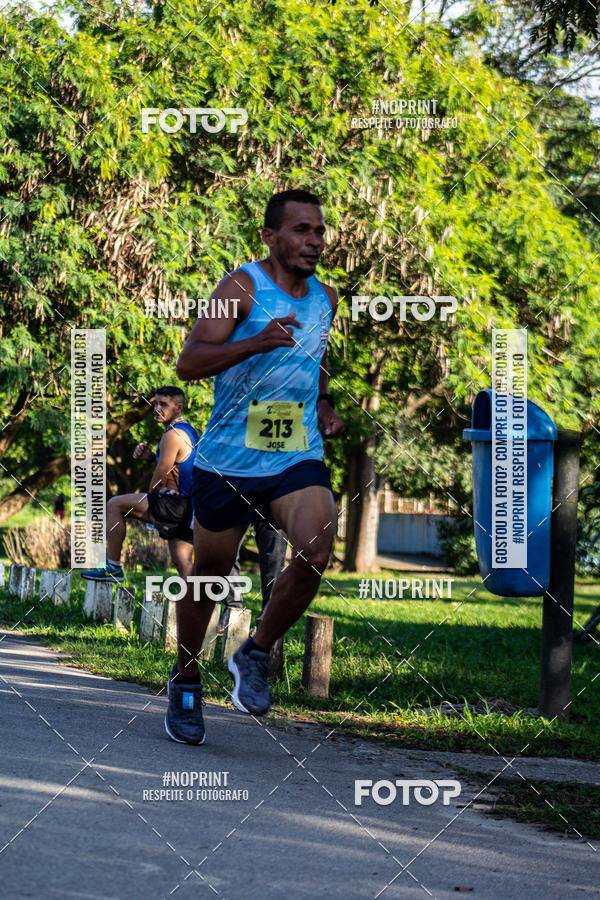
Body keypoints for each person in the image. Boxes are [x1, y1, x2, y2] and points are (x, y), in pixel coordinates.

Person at [166, 188, 344, 745]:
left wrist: (321, 405)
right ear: (270, 237)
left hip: (295, 453)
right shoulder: (239, 287)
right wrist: (255, 342)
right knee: (210, 581)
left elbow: (309, 366)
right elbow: (190, 361)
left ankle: (256, 651)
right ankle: (187, 678)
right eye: (300, 230)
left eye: (318, 231)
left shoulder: (326, 298)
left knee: (317, 549)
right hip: (229, 459)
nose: (313, 240)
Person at [82, 386, 199, 582]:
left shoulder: (172, 435)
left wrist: (151, 499)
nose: (157, 409)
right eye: (155, 404)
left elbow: (161, 477)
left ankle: (113, 568)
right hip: (189, 507)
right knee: (182, 561)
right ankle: (200, 604)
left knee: (115, 505)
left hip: (173, 505)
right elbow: (177, 468)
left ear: (179, 408)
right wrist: (150, 457)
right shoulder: (189, 431)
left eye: (164, 405)